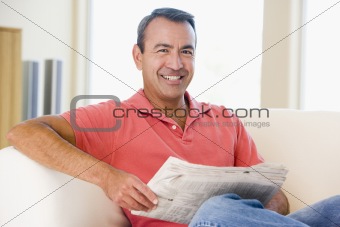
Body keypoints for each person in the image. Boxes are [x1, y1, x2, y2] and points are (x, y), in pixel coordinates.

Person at [7, 7, 339, 227]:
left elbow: (277, 199)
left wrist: (252, 217)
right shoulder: (112, 117)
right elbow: (24, 133)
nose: (176, 64)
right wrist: (107, 177)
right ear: (138, 57)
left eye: (186, 51)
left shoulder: (224, 119)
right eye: (163, 50)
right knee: (215, 211)